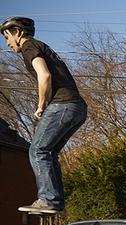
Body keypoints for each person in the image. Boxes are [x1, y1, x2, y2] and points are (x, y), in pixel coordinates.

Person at [2, 17, 87, 213]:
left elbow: (44, 75)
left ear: (17, 32)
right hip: (77, 108)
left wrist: (41, 105)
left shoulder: (29, 46)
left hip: (63, 105)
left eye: (7, 37)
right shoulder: (42, 46)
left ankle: (48, 199)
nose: (7, 43)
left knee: (37, 150)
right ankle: (55, 201)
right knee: (49, 152)